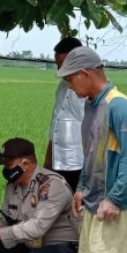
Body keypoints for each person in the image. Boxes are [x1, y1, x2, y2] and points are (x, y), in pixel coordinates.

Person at [57, 46, 127, 253]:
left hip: (114, 208)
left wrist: (115, 199)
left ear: (85, 74)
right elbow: (91, 154)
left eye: (70, 79)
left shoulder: (118, 105)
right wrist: (81, 187)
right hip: (94, 203)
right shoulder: (90, 105)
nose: (69, 86)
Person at [44, 37, 85, 192]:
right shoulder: (62, 86)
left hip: (80, 167)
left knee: (79, 212)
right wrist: (48, 165)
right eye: (57, 65)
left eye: (63, 64)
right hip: (58, 164)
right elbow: (56, 126)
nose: (59, 70)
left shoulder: (90, 92)